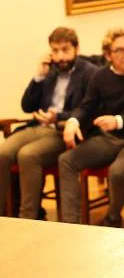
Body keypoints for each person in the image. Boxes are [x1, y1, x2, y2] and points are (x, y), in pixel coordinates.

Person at [59, 28, 124, 227]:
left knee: (117, 172)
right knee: (66, 160)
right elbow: (86, 106)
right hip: (108, 139)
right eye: (118, 50)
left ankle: (113, 218)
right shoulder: (100, 76)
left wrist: (119, 121)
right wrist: (73, 122)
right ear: (108, 54)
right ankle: (70, 224)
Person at [0, 27, 98, 219]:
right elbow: (27, 106)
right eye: (55, 50)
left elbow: (87, 110)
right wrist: (38, 77)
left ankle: (28, 217)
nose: (60, 56)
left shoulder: (90, 73)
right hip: (38, 127)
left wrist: (59, 117)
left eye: (65, 50)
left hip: (63, 131)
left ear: (76, 49)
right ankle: (3, 215)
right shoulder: (49, 71)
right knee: (2, 153)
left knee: (28, 155)